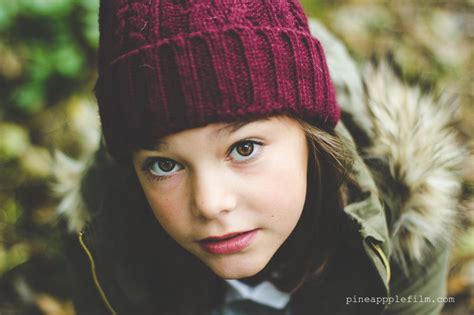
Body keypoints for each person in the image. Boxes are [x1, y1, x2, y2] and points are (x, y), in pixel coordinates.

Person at [56, 1, 467, 314]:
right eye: (165, 165)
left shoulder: (407, 232)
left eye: (244, 148)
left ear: (311, 137)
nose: (210, 203)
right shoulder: (101, 234)